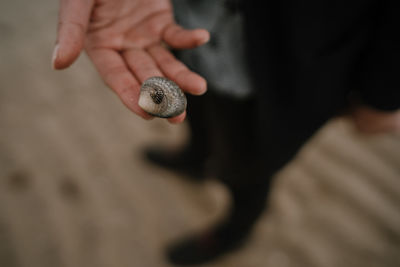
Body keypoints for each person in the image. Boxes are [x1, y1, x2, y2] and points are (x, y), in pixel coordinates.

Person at [53, 0, 400, 265]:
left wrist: (384, 96)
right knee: (196, 110)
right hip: (178, 22)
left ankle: (236, 229)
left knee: (250, 161)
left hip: (284, 60)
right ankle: (196, 157)